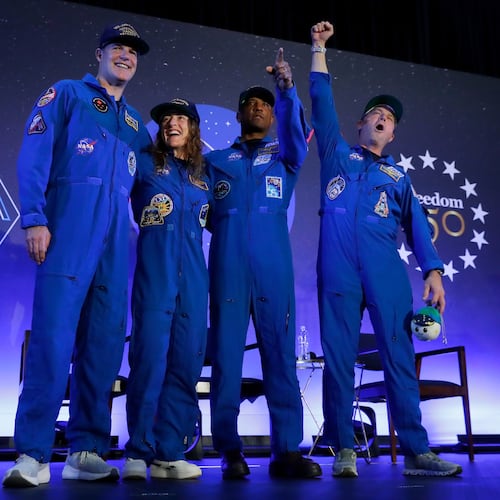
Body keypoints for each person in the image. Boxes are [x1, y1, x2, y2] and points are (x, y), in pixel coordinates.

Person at [308, 21, 463, 478]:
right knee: (338, 360)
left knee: (398, 358)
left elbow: (418, 229)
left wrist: (432, 272)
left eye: (389, 118)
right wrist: (318, 48)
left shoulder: (400, 178)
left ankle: (417, 453)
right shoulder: (337, 151)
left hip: (386, 273)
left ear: (392, 135)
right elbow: (320, 102)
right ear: (361, 124)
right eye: (376, 113)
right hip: (337, 271)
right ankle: (343, 450)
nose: (382, 119)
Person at [2, 23, 151, 488]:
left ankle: (86, 450)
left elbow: (152, 181)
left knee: (104, 347)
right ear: (100, 53)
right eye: (117, 49)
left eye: (132, 52)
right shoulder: (66, 94)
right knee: (52, 341)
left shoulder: (133, 124)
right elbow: (34, 155)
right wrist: (35, 217)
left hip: (113, 245)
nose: (125, 56)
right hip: (67, 231)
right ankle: (33, 454)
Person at [204, 47, 322, 480]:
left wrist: (286, 90)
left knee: (279, 358)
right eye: (249, 104)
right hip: (228, 268)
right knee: (227, 363)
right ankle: (230, 451)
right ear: (238, 115)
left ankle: (285, 451)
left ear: (273, 115)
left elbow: (298, 133)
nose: (257, 108)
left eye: (264, 104)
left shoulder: (285, 157)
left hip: (273, 270)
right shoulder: (216, 162)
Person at [121, 98, 211, 481]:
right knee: (148, 364)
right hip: (155, 279)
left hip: (193, 281)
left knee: (185, 366)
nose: (171, 123)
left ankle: (170, 453)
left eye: (180, 118)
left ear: (193, 127)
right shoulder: (145, 164)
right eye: (165, 119)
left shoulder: (204, 175)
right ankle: (139, 453)